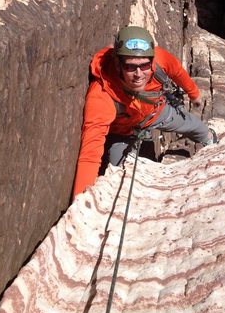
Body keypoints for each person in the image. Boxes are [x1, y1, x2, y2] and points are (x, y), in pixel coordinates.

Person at [72, 25, 217, 197]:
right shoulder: (102, 98)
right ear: (117, 64)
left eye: (145, 66)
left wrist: (194, 94)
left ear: (151, 61)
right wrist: (80, 202)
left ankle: (211, 140)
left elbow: (178, 72)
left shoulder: (160, 59)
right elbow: (90, 155)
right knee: (120, 176)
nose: (139, 74)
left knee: (199, 129)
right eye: (130, 67)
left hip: (156, 112)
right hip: (123, 132)